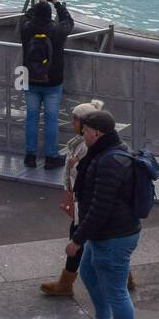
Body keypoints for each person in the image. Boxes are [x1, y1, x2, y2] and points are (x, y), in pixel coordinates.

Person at [40, 100, 137, 296]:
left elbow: (88, 178)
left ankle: (66, 284)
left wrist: (73, 167)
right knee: (89, 244)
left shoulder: (88, 146)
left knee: (79, 241)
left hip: (88, 206)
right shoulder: (86, 142)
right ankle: (125, 279)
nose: (73, 124)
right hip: (85, 204)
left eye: (75, 120)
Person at [69, 110, 142, 319]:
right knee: (88, 272)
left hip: (114, 235)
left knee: (117, 292)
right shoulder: (106, 151)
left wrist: (77, 239)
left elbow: (101, 206)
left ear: (97, 133)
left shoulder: (109, 161)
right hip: (106, 233)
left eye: (85, 131)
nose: (82, 135)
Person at [19, 0, 74, 167]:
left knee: (31, 118)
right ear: (50, 14)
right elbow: (69, 21)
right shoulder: (57, 30)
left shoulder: (26, 29)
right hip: (53, 81)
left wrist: (39, 3)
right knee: (51, 118)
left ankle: (30, 156)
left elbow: (25, 17)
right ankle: (51, 157)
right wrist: (56, 3)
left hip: (30, 79)